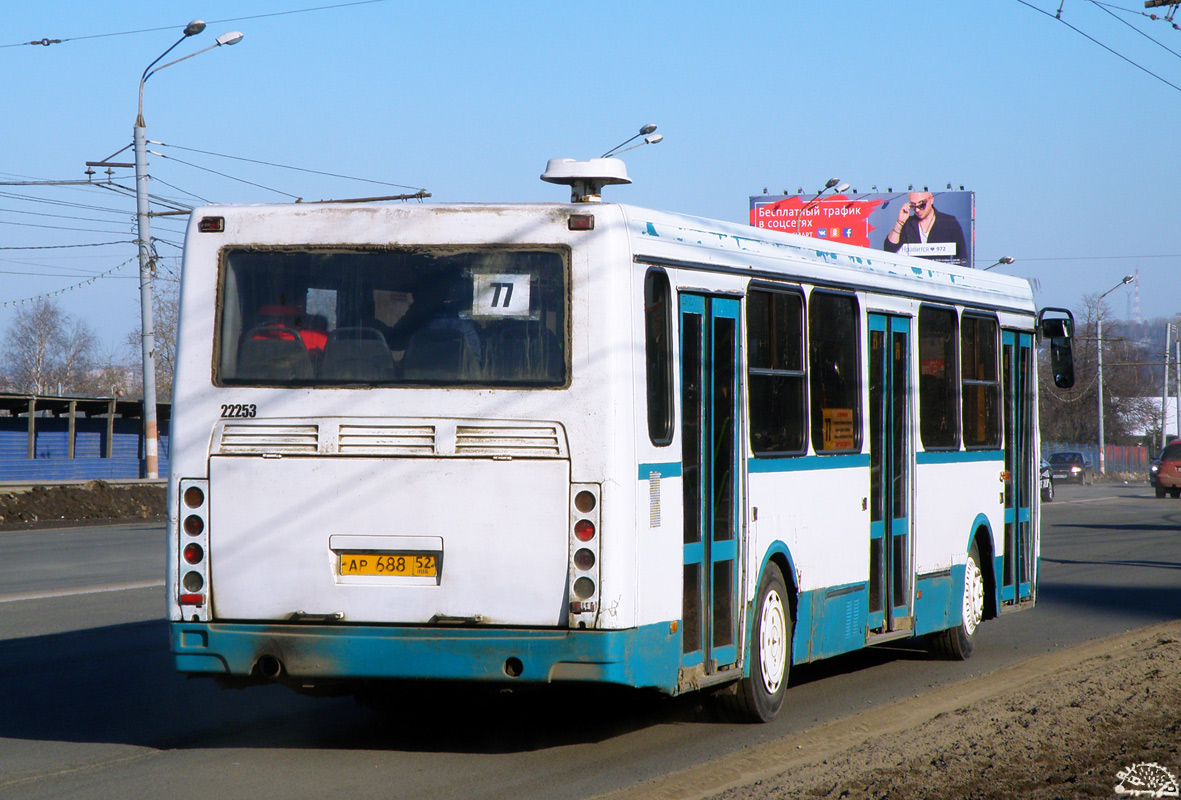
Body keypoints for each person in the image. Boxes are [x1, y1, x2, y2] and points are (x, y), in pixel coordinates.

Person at [883, 192, 967, 266]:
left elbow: (962, 257)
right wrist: (900, 222)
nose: (917, 209)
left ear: (931, 200)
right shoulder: (907, 223)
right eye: (913, 205)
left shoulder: (949, 222)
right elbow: (889, 250)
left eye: (922, 205)